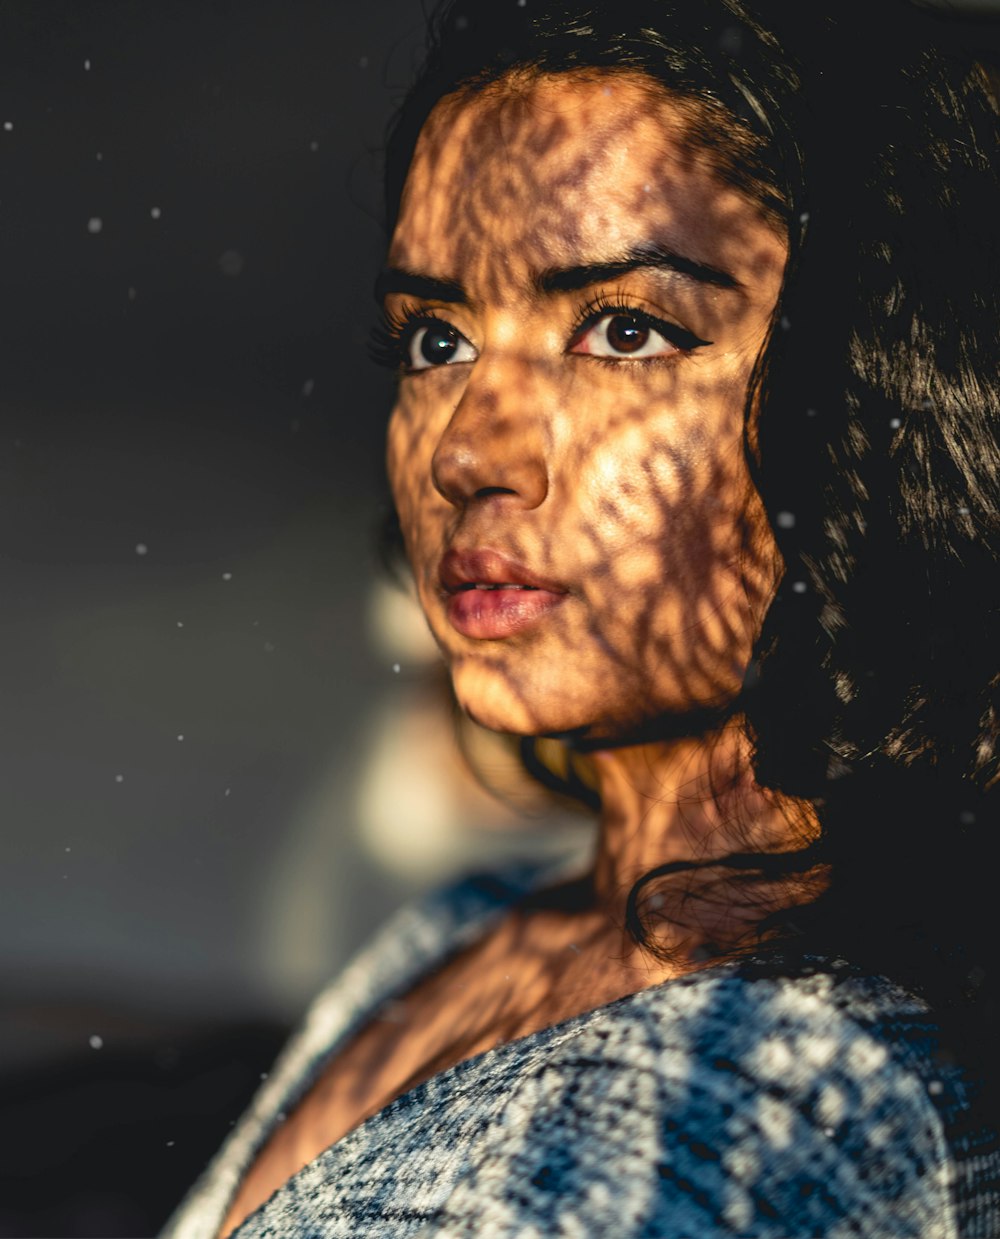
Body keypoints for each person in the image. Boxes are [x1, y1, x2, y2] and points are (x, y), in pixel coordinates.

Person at [163, 0, 1000, 1234]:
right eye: (435, 338)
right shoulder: (472, 924)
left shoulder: (748, 1102)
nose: (466, 452)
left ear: (889, 391)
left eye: (623, 330)